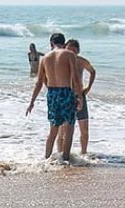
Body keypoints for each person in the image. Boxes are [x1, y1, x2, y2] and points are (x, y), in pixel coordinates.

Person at [26, 33, 84, 161]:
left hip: (52, 93)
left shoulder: (45, 58)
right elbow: (75, 77)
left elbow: (39, 82)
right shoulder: (69, 55)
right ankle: (66, 159)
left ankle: (46, 160)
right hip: (66, 92)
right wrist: (79, 97)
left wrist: (32, 102)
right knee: (69, 128)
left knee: (53, 130)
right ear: (64, 44)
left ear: (51, 44)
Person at [64, 39, 96, 155]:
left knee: (84, 129)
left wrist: (88, 88)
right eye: (69, 49)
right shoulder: (62, 61)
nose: (71, 52)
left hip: (79, 95)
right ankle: (62, 153)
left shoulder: (81, 61)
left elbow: (92, 71)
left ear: (78, 51)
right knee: (64, 129)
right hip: (66, 95)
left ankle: (84, 153)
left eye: (74, 50)